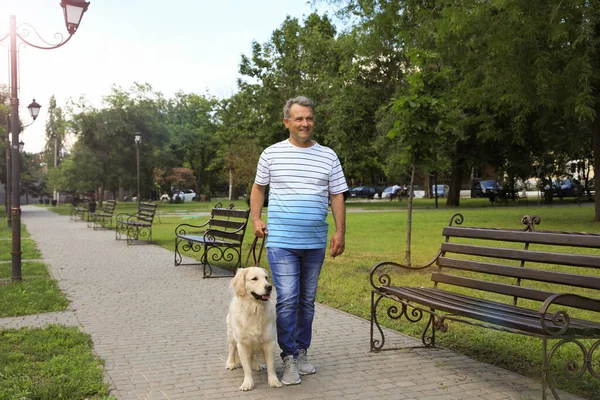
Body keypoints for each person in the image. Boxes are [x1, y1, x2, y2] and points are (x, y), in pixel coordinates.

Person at [250, 96, 347, 385]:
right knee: (288, 299)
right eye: (299, 118)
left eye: (309, 118)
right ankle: (288, 356)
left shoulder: (328, 156)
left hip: (315, 241)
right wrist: (256, 218)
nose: (305, 123)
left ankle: (302, 351)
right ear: (287, 122)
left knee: (307, 301)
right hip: (281, 240)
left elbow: (337, 195)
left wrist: (340, 231)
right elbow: (258, 189)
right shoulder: (271, 154)